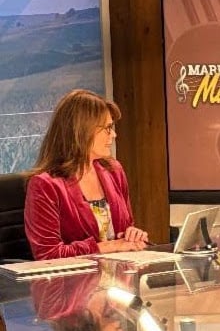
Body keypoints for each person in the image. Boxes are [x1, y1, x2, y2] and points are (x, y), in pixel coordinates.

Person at [24, 89, 149, 259]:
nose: (114, 134)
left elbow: (124, 228)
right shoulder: (45, 185)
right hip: (77, 276)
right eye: (107, 128)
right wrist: (108, 246)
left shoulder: (114, 171)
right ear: (82, 131)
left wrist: (131, 235)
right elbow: (48, 255)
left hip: (120, 272)